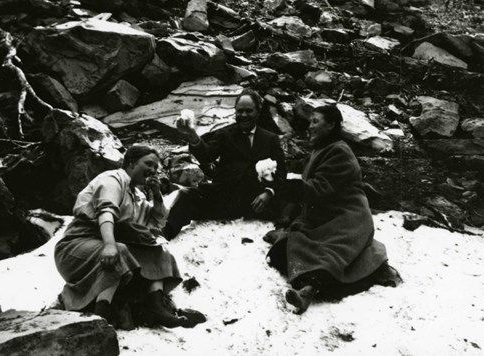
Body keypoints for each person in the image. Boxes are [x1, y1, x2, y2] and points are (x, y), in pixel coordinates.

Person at [266, 105, 401, 315]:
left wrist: (286, 186)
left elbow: (319, 189)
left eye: (315, 122)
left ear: (331, 125)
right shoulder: (321, 150)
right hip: (325, 216)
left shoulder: (339, 152)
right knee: (284, 251)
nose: (309, 127)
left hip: (348, 219)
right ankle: (308, 282)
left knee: (328, 256)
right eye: (310, 121)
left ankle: (308, 291)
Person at [54, 145, 190, 329]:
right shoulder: (112, 180)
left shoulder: (137, 194)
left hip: (103, 245)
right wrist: (110, 245)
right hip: (75, 246)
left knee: (159, 252)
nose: (152, 170)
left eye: (155, 168)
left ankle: (156, 307)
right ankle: (101, 314)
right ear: (131, 163)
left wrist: (157, 195)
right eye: (148, 164)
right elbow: (106, 211)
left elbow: (157, 221)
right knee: (119, 251)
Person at [161, 89, 287, 240]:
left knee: (296, 196)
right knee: (187, 196)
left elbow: (281, 173)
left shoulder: (270, 139)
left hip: (255, 202)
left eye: (249, 111)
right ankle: (165, 235)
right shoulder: (224, 134)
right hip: (224, 199)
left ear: (258, 112)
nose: (244, 115)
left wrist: (268, 193)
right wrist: (192, 135)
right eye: (240, 111)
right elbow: (207, 156)